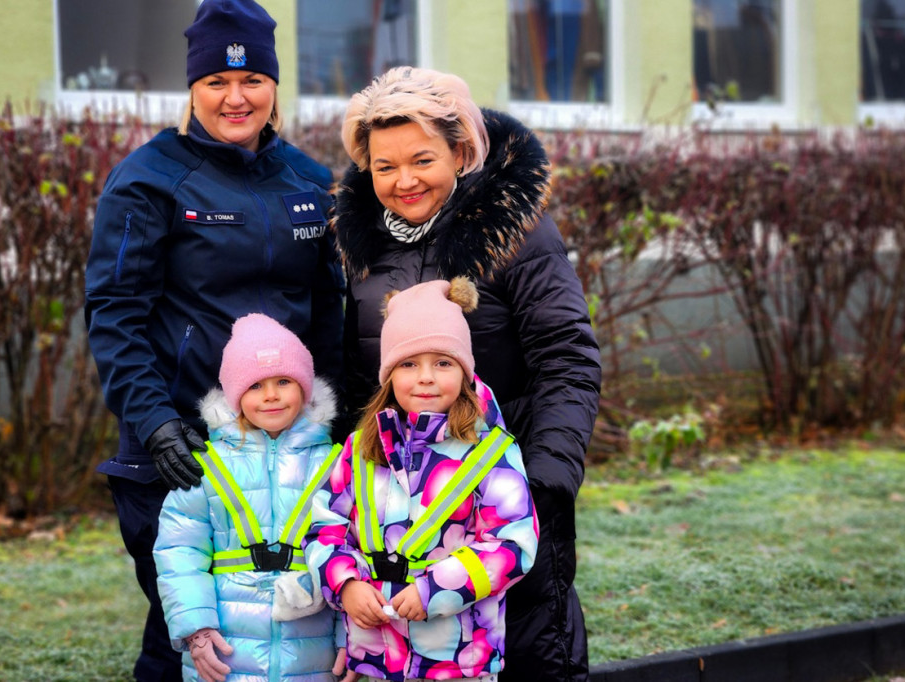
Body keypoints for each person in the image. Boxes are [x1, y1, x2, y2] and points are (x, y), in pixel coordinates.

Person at [83, 1, 344, 679]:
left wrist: (338, 420)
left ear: (274, 85)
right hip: (182, 449)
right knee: (186, 624)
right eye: (216, 82)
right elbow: (114, 311)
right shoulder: (148, 179)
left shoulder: (311, 182)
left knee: (277, 633)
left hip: (286, 453)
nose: (236, 97)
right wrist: (154, 423)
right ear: (193, 87)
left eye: (252, 79)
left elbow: (327, 312)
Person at [332, 66, 601, 682]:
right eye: (384, 166)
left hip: (503, 499)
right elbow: (359, 375)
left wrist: (546, 480)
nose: (404, 181)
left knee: (534, 655)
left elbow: (567, 355)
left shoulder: (516, 232)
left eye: (422, 160)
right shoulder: (361, 248)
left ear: (459, 152)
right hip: (398, 520)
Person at [303, 278, 539, 682]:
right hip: (376, 657)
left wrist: (434, 591)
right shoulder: (360, 449)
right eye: (408, 364)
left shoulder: (490, 451)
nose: (425, 377)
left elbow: (513, 545)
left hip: (458, 663)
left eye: (443, 363)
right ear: (388, 374)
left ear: (464, 372)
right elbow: (324, 530)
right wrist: (346, 585)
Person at [154, 314, 353, 682]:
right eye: (256, 385)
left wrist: (352, 635)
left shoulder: (337, 463)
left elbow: (353, 555)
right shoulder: (207, 467)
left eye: (284, 381)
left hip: (314, 650)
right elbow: (179, 551)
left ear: (305, 388)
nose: (271, 395)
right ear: (235, 395)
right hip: (226, 648)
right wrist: (196, 628)